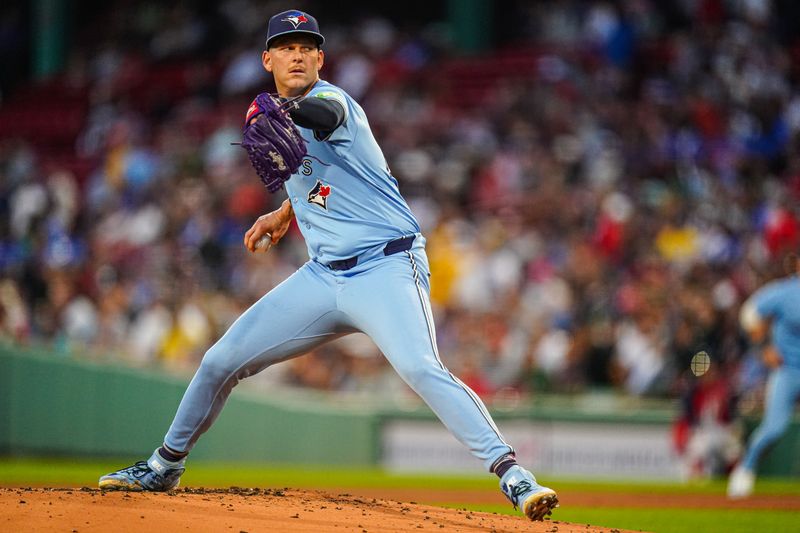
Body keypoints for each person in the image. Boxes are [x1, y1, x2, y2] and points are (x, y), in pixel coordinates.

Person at [98, 9, 558, 522]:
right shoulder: (283, 115)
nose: (296, 54)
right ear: (267, 58)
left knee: (419, 367)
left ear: (320, 58)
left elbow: (322, 121)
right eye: (286, 46)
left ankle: (515, 476)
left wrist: (288, 115)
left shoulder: (332, 101)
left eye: (306, 46)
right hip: (323, 276)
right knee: (219, 360)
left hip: (386, 266)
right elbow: (321, 179)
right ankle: (164, 465)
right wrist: (284, 210)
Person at [727, 255, 800, 498]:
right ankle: (746, 468)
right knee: (773, 429)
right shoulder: (785, 292)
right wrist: (762, 347)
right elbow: (749, 313)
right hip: (788, 369)